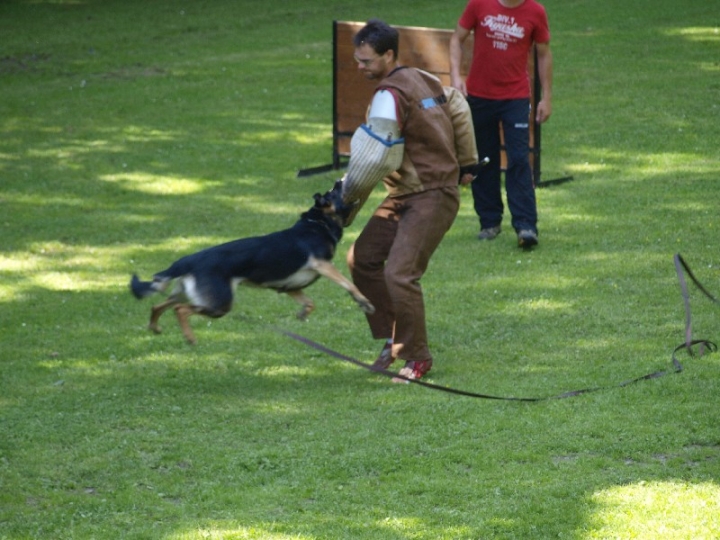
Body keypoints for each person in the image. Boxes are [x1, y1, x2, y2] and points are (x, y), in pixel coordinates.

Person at [339, 19, 479, 382]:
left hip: (430, 196)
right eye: (357, 59)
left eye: (366, 61)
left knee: (400, 274)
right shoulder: (426, 79)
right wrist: (467, 163)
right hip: (407, 193)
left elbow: (373, 159)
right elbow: (460, 111)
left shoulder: (388, 96)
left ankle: (416, 358)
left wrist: (347, 201)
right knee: (362, 258)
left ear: (388, 55)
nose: (360, 67)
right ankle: (391, 338)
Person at [450, 0, 553, 248]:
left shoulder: (535, 11)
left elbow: (544, 53)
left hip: (515, 97)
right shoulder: (478, 4)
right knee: (483, 159)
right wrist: (456, 76)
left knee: (518, 159)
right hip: (479, 96)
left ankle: (526, 225)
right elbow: (457, 39)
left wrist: (546, 97)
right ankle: (489, 222)